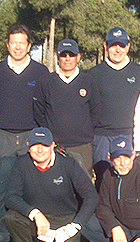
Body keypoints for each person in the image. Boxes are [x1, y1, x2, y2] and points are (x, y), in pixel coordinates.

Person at [3, 127, 98, 242]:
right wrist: (35, 213)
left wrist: (75, 225)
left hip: (65, 218)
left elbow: (91, 196)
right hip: (37, 219)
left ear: (52, 145)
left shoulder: (69, 163)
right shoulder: (21, 164)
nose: (40, 149)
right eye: (35, 145)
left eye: (44, 145)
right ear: (28, 145)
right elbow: (10, 197)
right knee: (10, 217)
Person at [34, 39, 100, 174]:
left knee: (83, 185)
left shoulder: (88, 81)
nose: (67, 59)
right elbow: (39, 112)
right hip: (55, 145)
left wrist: (83, 129)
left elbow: (95, 111)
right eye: (64, 55)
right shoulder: (46, 81)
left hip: (82, 145)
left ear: (78, 57)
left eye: (72, 55)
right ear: (58, 58)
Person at [88, 27, 140, 166]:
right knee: (103, 180)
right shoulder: (94, 74)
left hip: (130, 136)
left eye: (121, 45)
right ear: (105, 46)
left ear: (128, 47)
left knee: (129, 182)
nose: (117, 50)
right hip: (101, 137)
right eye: (113, 45)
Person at [0, 25, 50, 157]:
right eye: (14, 43)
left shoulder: (41, 72)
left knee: (29, 177)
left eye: (21, 43)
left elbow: (46, 105)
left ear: (29, 46)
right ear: (8, 45)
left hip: (31, 137)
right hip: (2, 137)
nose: (18, 47)